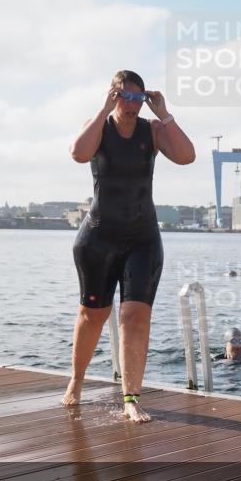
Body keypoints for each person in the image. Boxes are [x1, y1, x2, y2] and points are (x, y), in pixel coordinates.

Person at [63, 70, 195, 422]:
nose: (133, 105)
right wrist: (102, 108)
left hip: (142, 238)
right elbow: (78, 153)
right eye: (126, 97)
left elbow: (186, 156)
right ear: (114, 96)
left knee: (135, 316)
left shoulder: (152, 131)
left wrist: (165, 114)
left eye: (139, 99)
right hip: (98, 238)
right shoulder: (98, 127)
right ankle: (76, 381)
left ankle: (131, 398)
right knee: (92, 316)